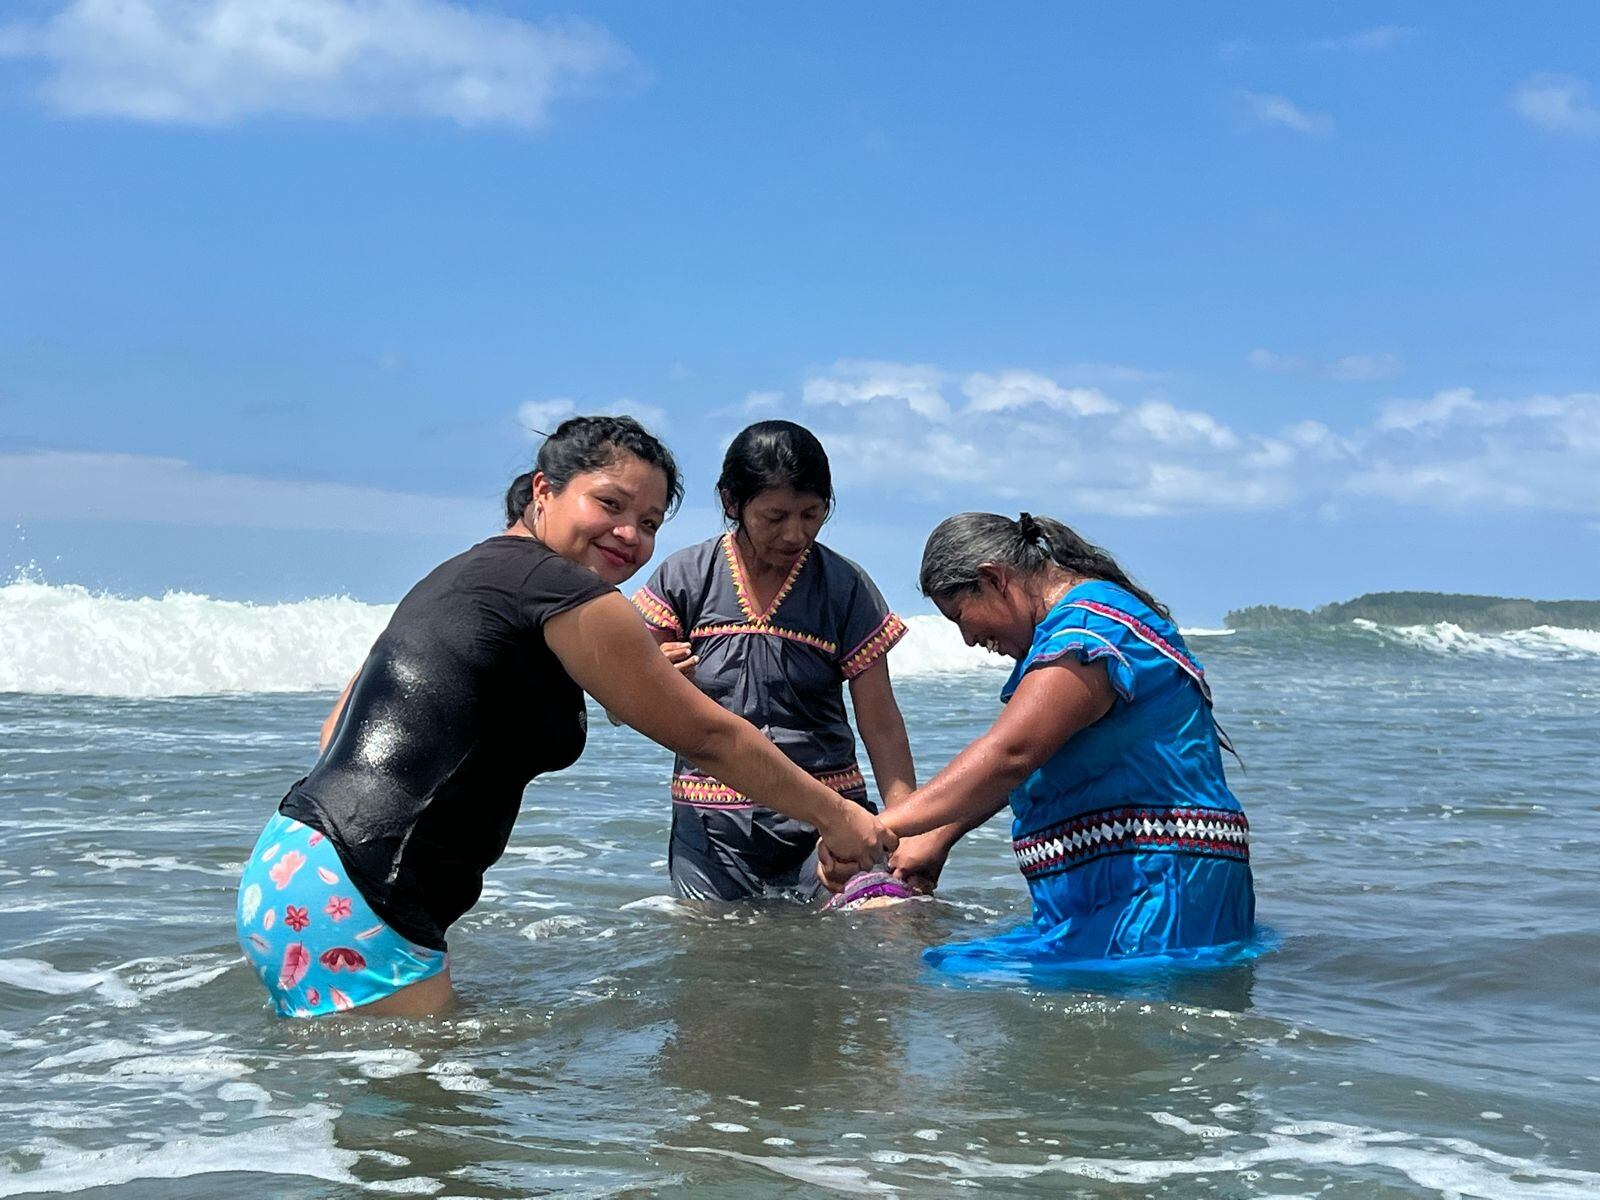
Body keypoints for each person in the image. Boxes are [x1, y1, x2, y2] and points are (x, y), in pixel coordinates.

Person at [235, 416, 895, 1019]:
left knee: (395, 1116)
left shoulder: (466, 573)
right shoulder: (565, 590)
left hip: (294, 865)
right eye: (609, 504)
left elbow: (339, 727)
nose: (630, 535)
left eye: (651, 521)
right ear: (544, 491)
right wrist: (840, 818)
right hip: (362, 894)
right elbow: (710, 735)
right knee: (427, 1132)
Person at [823, 511, 1253, 968]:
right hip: (1141, 890)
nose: (969, 640)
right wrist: (937, 837)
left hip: (1162, 895)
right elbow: (1030, 762)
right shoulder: (1077, 627)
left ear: (994, 579)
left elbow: (1011, 754)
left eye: (960, 617)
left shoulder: (1088, 632)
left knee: (948, 973)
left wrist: (877, 827)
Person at [630, 420, 916, 901]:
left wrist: (907, 824)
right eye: (775, 516)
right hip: (711, 832)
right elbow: (622, 702)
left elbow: (881, 719)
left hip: (828, 824)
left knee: (875, 932)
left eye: (812, 514)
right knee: (717, 963)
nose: (795, 533)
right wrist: (653, 685)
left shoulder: (844, 586)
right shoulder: (686, 577)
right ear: (730, 503)